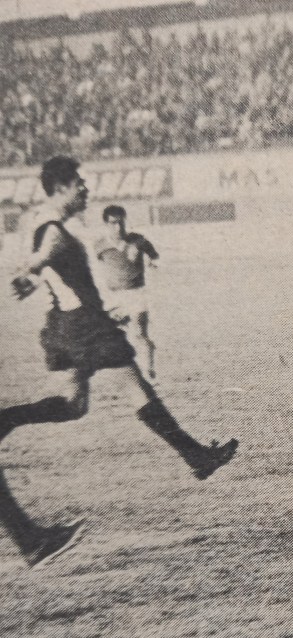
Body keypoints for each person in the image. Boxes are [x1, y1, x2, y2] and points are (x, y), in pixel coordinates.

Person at [0, 156, 238, 568]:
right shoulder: (53, 228)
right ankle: (196, 456)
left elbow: (46, 264)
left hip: (70, 322)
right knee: (135, 387)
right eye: (78, 182)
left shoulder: (47, 223)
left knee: (74, 405)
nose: (85, 188)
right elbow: (43, 256)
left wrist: (36, 278)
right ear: (60, 187)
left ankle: (8, 420)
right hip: (83, 325)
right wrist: (29, 273)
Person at [94, 205, 158, 379]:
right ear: (106, 224)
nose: (118, 227)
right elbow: (100, 267)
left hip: (136, 294)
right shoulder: (100, 246)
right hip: (114, 297)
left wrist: (151, 261)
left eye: (121, 222)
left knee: (139, 332)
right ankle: (125, 373)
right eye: (113, 223)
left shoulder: (138, 240)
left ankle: (148, 369)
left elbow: (154, 255)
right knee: (112, 335)